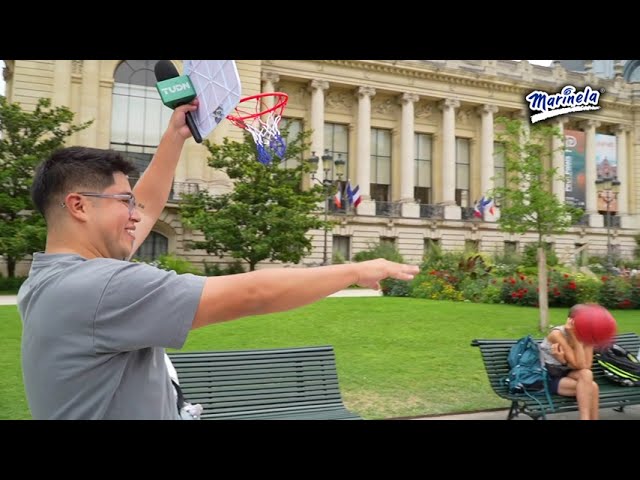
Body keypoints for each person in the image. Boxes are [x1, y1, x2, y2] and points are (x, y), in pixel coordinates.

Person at [17, 101, 419, 420]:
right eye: (125, 202)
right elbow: (255, 292)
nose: (136, 213)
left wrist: (175, 135)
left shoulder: (50, 279)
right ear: (79, 206)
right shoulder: (101, 288)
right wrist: (357, 269)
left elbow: (150, 206)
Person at [538, 304, 600, 420]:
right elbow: (579, 365)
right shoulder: (557, 334)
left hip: (567, 372)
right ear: (571, 321)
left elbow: (586, 366)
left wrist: (578, 340)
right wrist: (575, 338)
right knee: (593, 387)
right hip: (550, 378)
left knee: (587, 374)